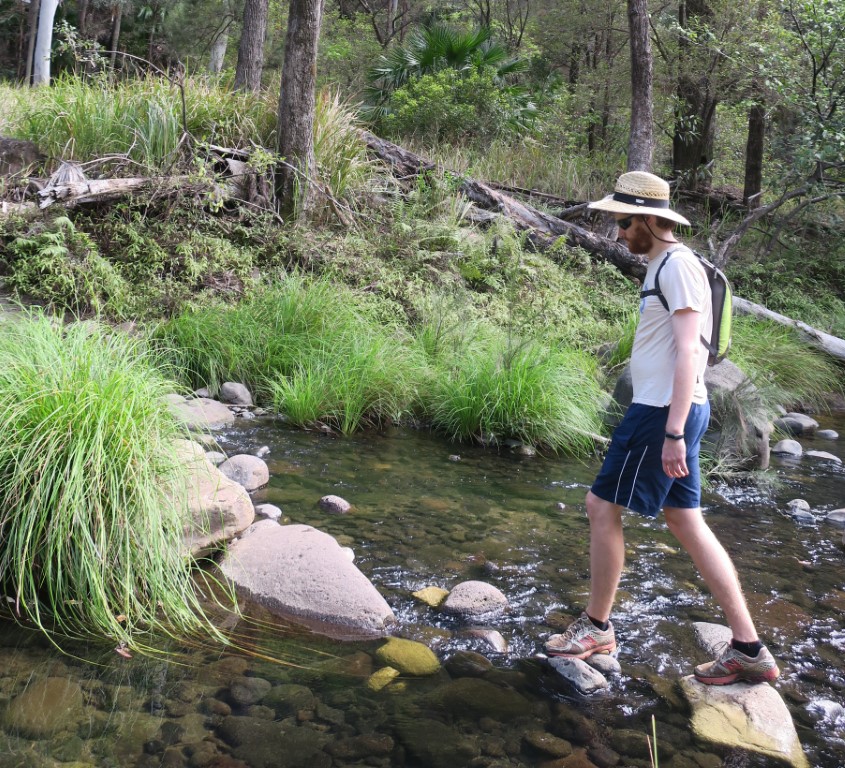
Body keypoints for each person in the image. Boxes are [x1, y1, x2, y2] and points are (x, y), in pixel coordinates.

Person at [544, 171, 779, 686]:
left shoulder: (676, 266)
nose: (619, 231)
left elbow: (691, 350)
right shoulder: (664, 266)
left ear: (652, 219)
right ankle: (747, 647)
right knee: (686, 521)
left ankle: (597, 627)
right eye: (616, 221)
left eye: (625, 221)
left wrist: (673, 432)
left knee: (601, 507)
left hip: (659, 412)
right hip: (670, 410)